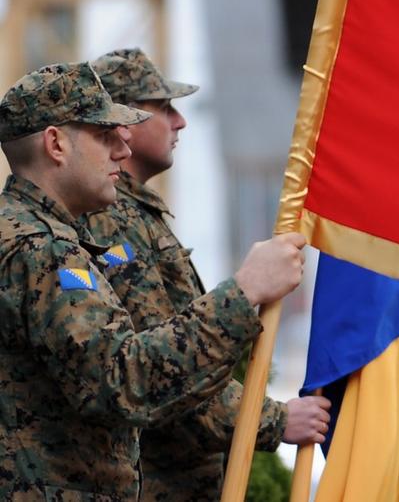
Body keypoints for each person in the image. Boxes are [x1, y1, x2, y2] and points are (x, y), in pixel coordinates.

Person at [0, 62, 307, 500]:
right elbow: (123, 381)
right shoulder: (41, 249)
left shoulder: (30, 233)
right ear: (55, 144)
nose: (121, 151)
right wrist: (243, 294)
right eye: (104, 135)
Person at [82, 48, 331, 500]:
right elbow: (159, 371)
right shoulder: (110, 222)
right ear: (124, 122)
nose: (180, 121)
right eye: (164, 107)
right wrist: (274, 420)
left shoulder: (137, 216)